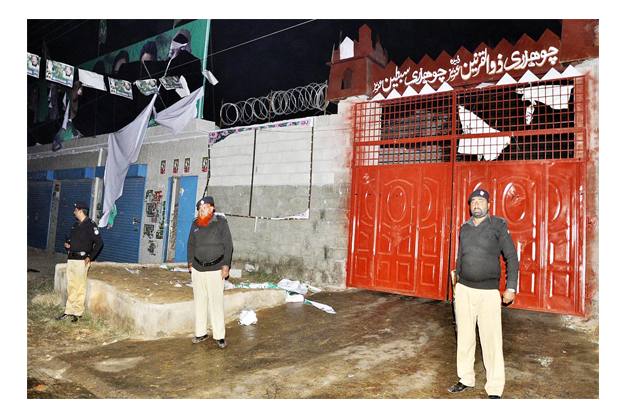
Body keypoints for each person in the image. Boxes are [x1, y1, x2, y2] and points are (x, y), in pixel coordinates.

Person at [448, 189, 518, 399]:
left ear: (488, 204)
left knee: (491, 340)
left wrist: (510, 287)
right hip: (464, 290)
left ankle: (495, 388)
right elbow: (460, 257)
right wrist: (456, 284)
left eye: (481, 200)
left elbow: (512, 258)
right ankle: (466, 378)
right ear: (470, 206)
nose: (477, 204)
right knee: (465, 337)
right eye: (473, 201)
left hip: (488, 292)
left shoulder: (498, 225)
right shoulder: (465, 228)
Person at [187, 196, 233, 348]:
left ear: (212, 208)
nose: (201, 211)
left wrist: (226, 265)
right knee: (200, 302)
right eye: (200, 209)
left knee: (216, 303)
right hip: (198, 269)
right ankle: (200, 333)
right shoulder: (195, 224)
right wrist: (190, 263)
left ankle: (219, 336)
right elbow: (190, 244)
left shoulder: (220, 223)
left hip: (216, 270)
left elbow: (228, 245)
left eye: (205, 208)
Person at [56, 202, 104, 323]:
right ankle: (69, 310)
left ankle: (78, 313)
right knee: (71, 285)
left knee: (80, 286)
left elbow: (99, 243)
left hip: (81, 261)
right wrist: (68, 245)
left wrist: (91, 257)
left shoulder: (91, 225)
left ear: (81, 211)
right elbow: (72, 241)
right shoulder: (75, 225)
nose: (74, 212)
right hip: (71, 259)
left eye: (75, 210)